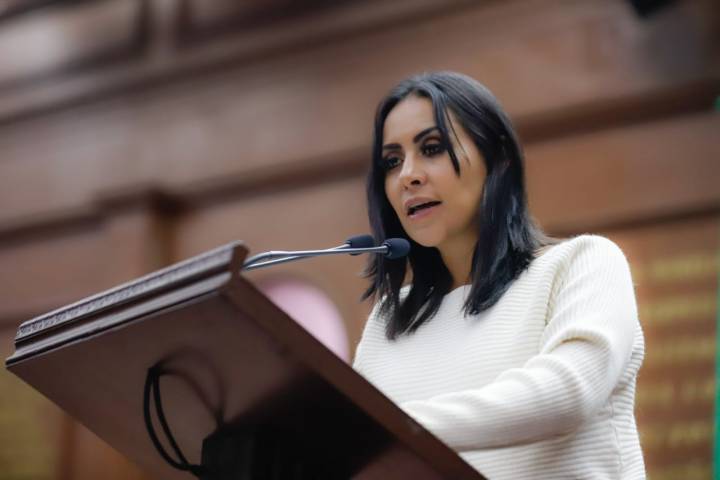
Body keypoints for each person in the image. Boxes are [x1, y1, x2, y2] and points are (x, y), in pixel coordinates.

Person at [352, 71, 645, 480]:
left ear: (499, 158)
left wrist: (384, 429)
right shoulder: (388, 319)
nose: (408, 176)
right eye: (392, 162)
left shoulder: (582, 263)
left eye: (432, 148)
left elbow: (569, 391)